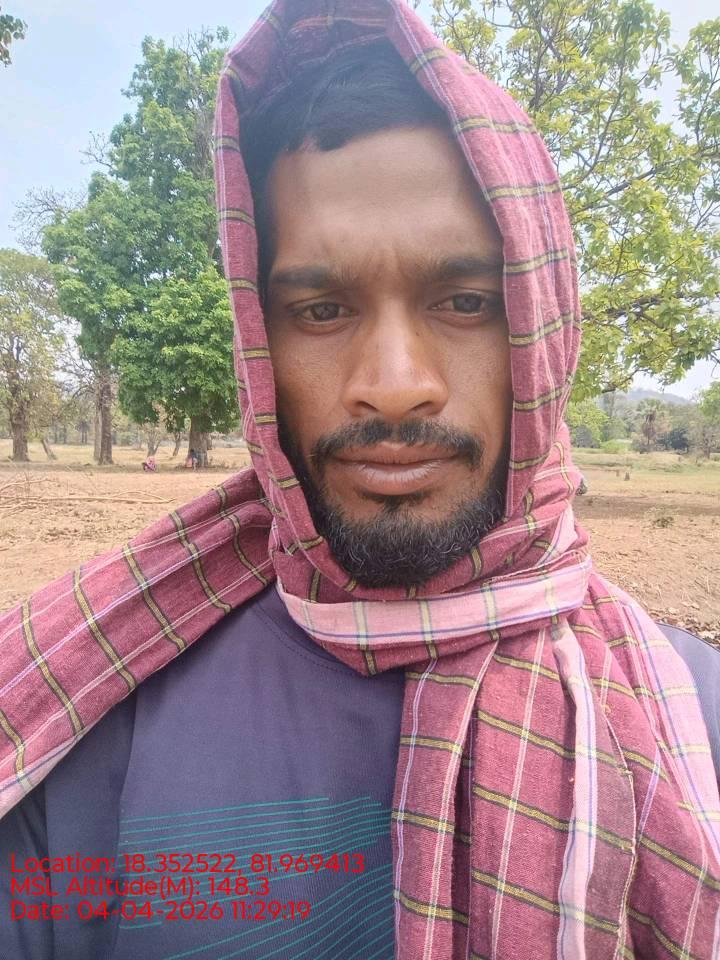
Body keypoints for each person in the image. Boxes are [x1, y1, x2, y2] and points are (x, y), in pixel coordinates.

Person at [0, 3, 718, 958]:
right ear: (259, 344)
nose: (394, 385)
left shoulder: (690, 723)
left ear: (542, 329)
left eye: (465, 300)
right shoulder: (87, 713)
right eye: (322, 309)